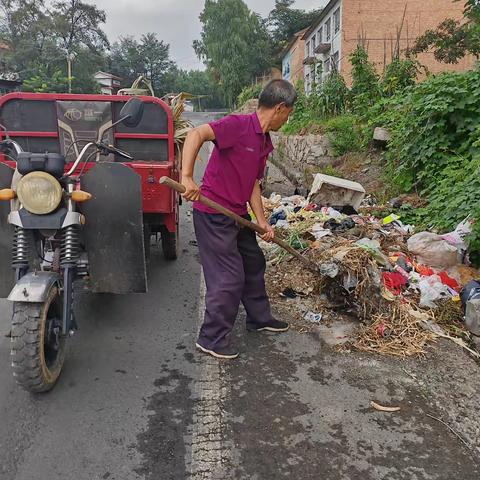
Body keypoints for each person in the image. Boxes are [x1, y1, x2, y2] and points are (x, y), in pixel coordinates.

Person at [181, 79, 297, 360]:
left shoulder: (263, 141)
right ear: (280, 108)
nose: (287, 119)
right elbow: (196, 134)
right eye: (289, 113)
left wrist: (262, 221)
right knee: (228, 277)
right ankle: (211, 338)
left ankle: (258, 318)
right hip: (214, 214)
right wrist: (186, 177)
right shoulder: (238, 125)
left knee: (253, 262)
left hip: (237, 214)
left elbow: (252, 184)